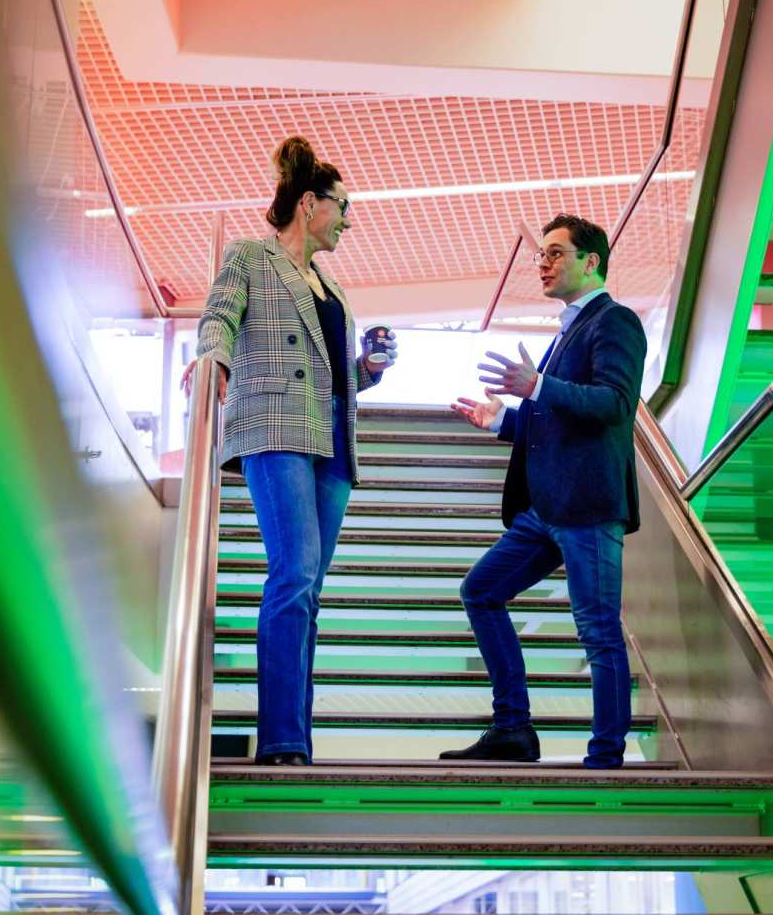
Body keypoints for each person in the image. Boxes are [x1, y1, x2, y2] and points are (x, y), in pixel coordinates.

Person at [182, 136, 396, 766]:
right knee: (294, 573)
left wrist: (366, 368)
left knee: (308, 589)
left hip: (332, 439)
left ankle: (295, 740)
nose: (349, 220)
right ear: (310, 204)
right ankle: (278, 739)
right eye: (343, 206)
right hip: (274, 428)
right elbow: (218, 315)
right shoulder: (250, 256)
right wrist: (212, 359)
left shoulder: (331, 285)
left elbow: (331, 370)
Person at [445, 213, 646, 769]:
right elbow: (558, 421)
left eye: (556, 254)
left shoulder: (615, 321)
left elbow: (613, 405)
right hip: (544, 509)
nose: (543, 263)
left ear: (591, 262)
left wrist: (538, 386)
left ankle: (605, 758)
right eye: (541, 255)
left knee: (599, 632)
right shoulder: (566, 332)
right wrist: (505, 421)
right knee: (480, 591)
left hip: (587, 508)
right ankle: (513, 729)